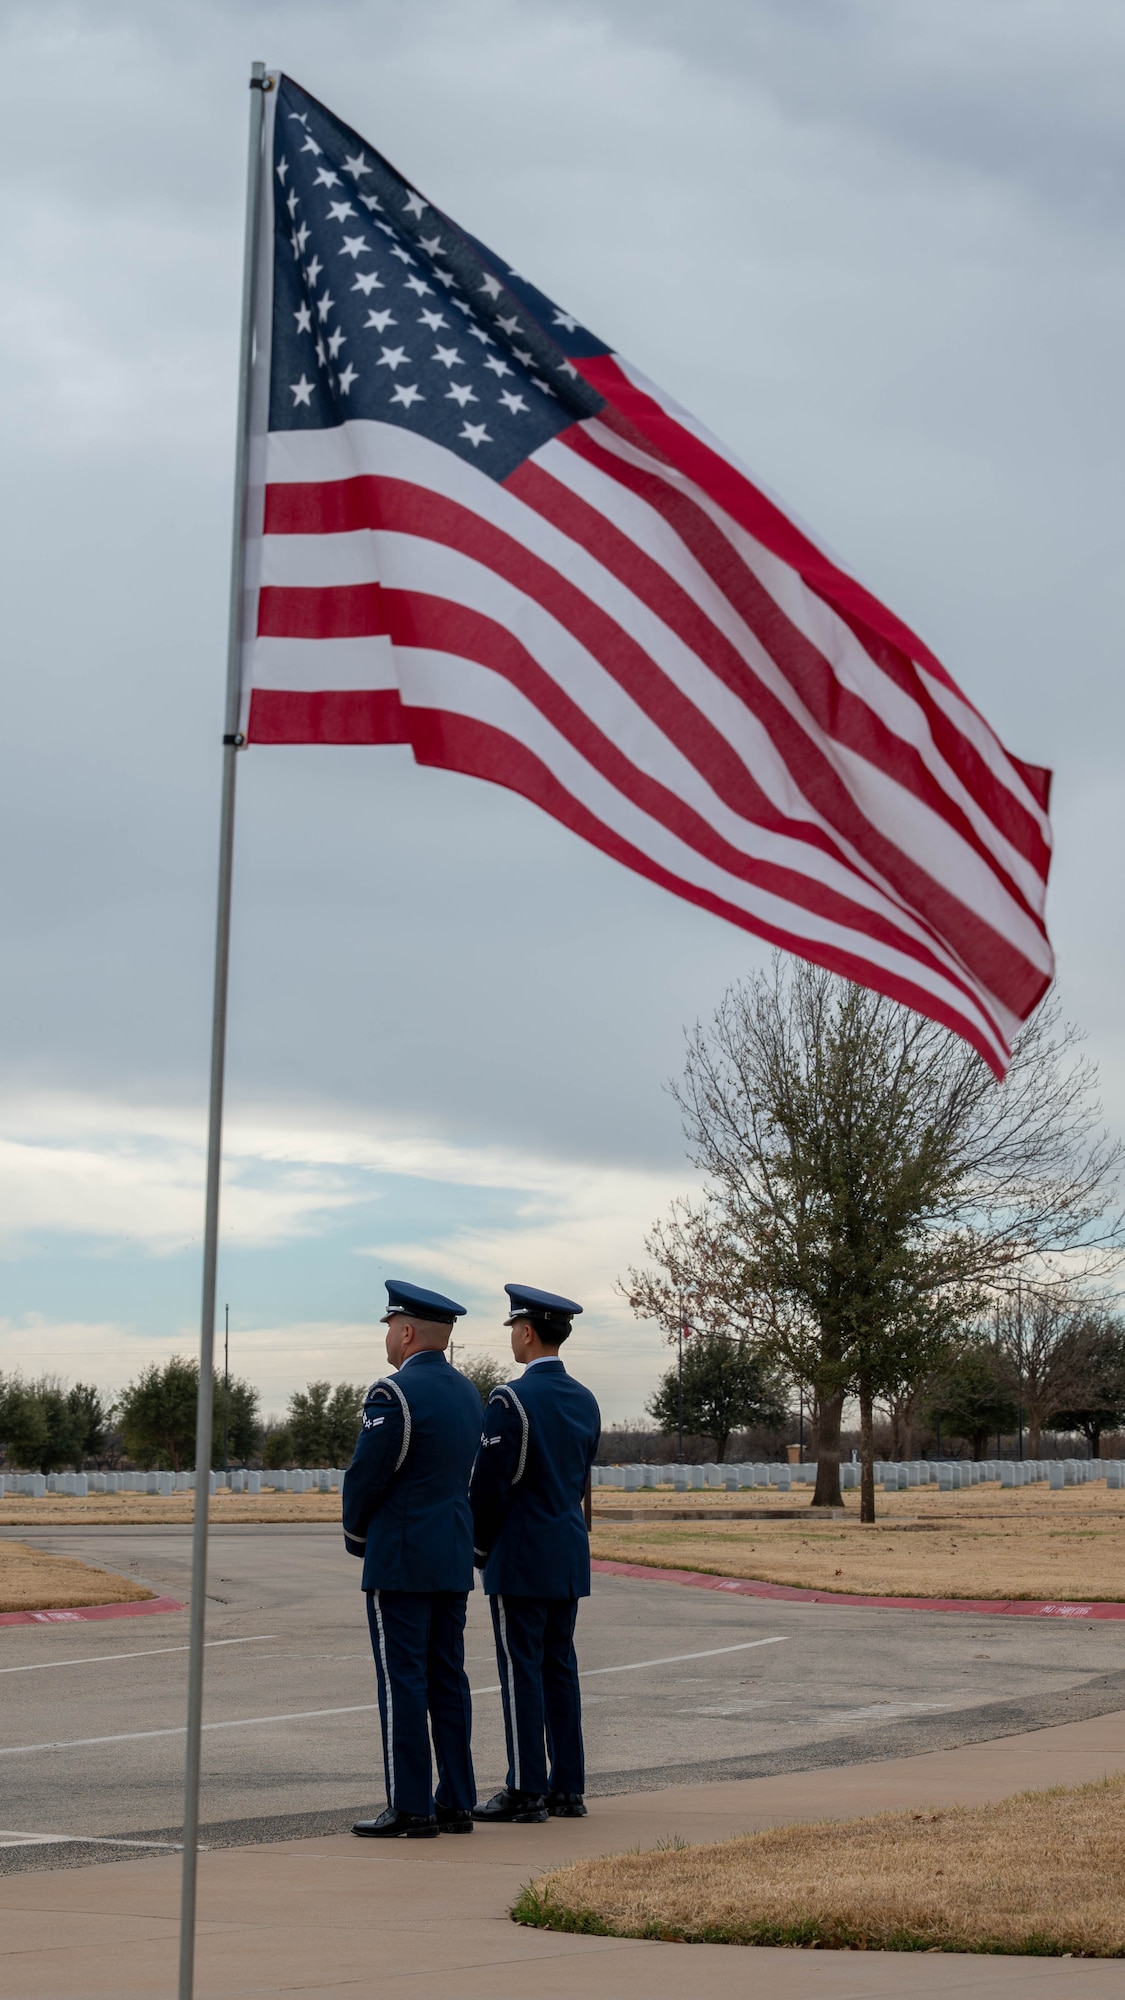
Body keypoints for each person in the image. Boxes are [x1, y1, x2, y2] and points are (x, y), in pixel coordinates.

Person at [343, 1279, 483, 1839]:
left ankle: (411, 1805)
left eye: (389, 1329)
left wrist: (357, 1535)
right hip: (449, 1551)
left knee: (404, 1681)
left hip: (401, 1555)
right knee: (448, 1679)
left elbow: (366, 1476)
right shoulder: (470, 1393)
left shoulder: (393, 1393)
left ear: (405, 1332)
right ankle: (455, 1798)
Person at [469, 1283, 601, 1824]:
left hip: (521, 1554)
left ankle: (526, 1788)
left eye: (514, 1331)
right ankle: (567, 1786)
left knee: (521, 1669)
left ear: (527, 1332)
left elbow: (490, 1486)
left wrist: (479, 1548)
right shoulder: (585, 1399)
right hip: (567, 1549)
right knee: (559, 1666)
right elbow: (578, 1477)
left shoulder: (510, 1399)